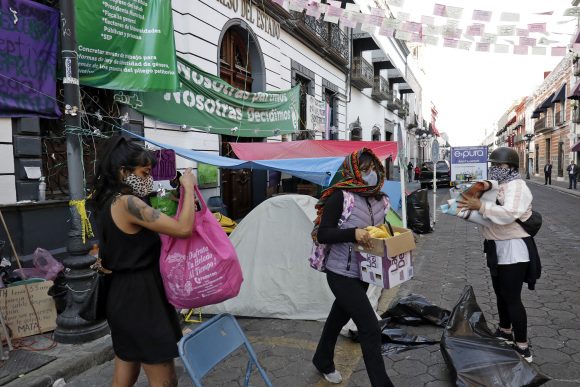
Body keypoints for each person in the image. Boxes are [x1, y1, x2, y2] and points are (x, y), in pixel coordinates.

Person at [92, 136, 196, 387]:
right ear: (123, 171)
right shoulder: (128, 203)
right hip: (141, 299)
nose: (149, 178)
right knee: (165, 379)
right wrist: (189, 187)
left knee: (126, 372)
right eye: (144, 172)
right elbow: (183, 229)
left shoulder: (105, 201)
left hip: (123, 295)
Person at [311, 148, 395, 387]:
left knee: (337, 318)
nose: (370, 174)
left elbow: (381, 231)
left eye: (372, 169)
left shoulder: (381, 199)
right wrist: (353, 233)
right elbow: (323, 234)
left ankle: (322, 359)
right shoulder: (341, 196)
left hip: (364, 272)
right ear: (353, 171)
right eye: (364, 170)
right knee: (369, 327)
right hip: (340, 273)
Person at [458, 147, 539, 363]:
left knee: (512, 297)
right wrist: (469, 208)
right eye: (493, 165)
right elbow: (485, 215)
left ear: (510, 167)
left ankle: (522, 346)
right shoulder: (497, 186)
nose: (495, 169)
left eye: (499, 165)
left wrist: (480, 206)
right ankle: (505, 331)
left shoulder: (518, 186)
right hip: (495, 246)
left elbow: (509, 214)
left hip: (514, 248)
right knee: (500, 294)